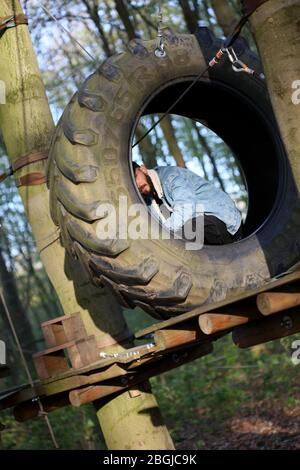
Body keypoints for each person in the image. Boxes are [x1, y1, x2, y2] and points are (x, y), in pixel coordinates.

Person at [133, 162, 243, 245]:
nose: (137, 185)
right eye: (133, 183)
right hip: (205, 229)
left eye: (136, 176)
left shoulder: (172, 176)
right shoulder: (148, 200)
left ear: (143, 169)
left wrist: (159, 236)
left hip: (227, 224)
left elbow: (186, 211)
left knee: (188, 229)